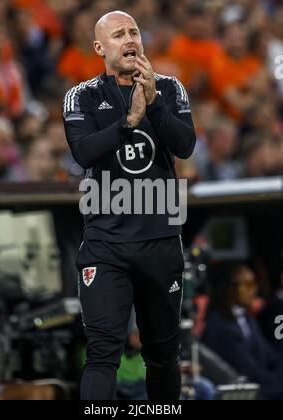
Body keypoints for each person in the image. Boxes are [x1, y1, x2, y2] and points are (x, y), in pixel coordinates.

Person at [63, 10, 196, 400]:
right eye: (118, 34)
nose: (129, 39)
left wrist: (152, 105)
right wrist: (128, 123)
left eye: (134, 31)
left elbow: (185, 145)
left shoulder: (170, 88)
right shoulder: (82, 95)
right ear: (100, 48)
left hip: (160, 241)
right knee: (103, 353)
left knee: (163, 355)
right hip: (107, 246)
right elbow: (84, 152)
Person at [201, 262, 283, 400]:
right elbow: (248, 371)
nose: (254, 289)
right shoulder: (219, 326)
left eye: (255, 283)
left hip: (263, 384)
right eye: (247, 284)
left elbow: (269, 355)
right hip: (245, 390)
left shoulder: (248, 319)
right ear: (230, 288)